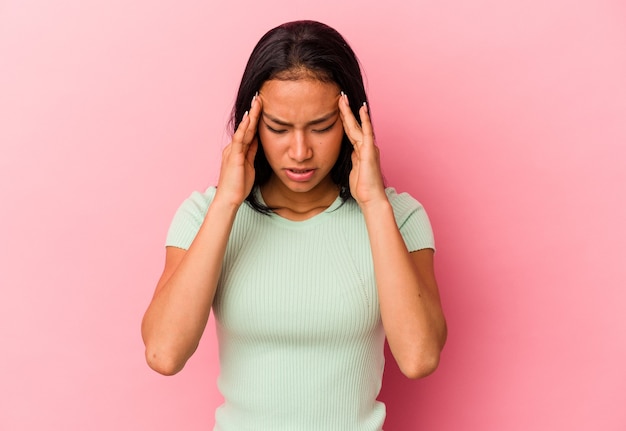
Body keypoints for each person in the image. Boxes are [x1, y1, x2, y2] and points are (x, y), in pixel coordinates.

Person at [141, 20, 447, 430]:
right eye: (278, 128)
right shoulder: (203, 215)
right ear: (250, 122)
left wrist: (373, 202)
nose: (300, 152)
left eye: (321, 127)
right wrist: (228, 200)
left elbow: (419, 357)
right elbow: (164, 353)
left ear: (352, 121)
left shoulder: (400, 217)